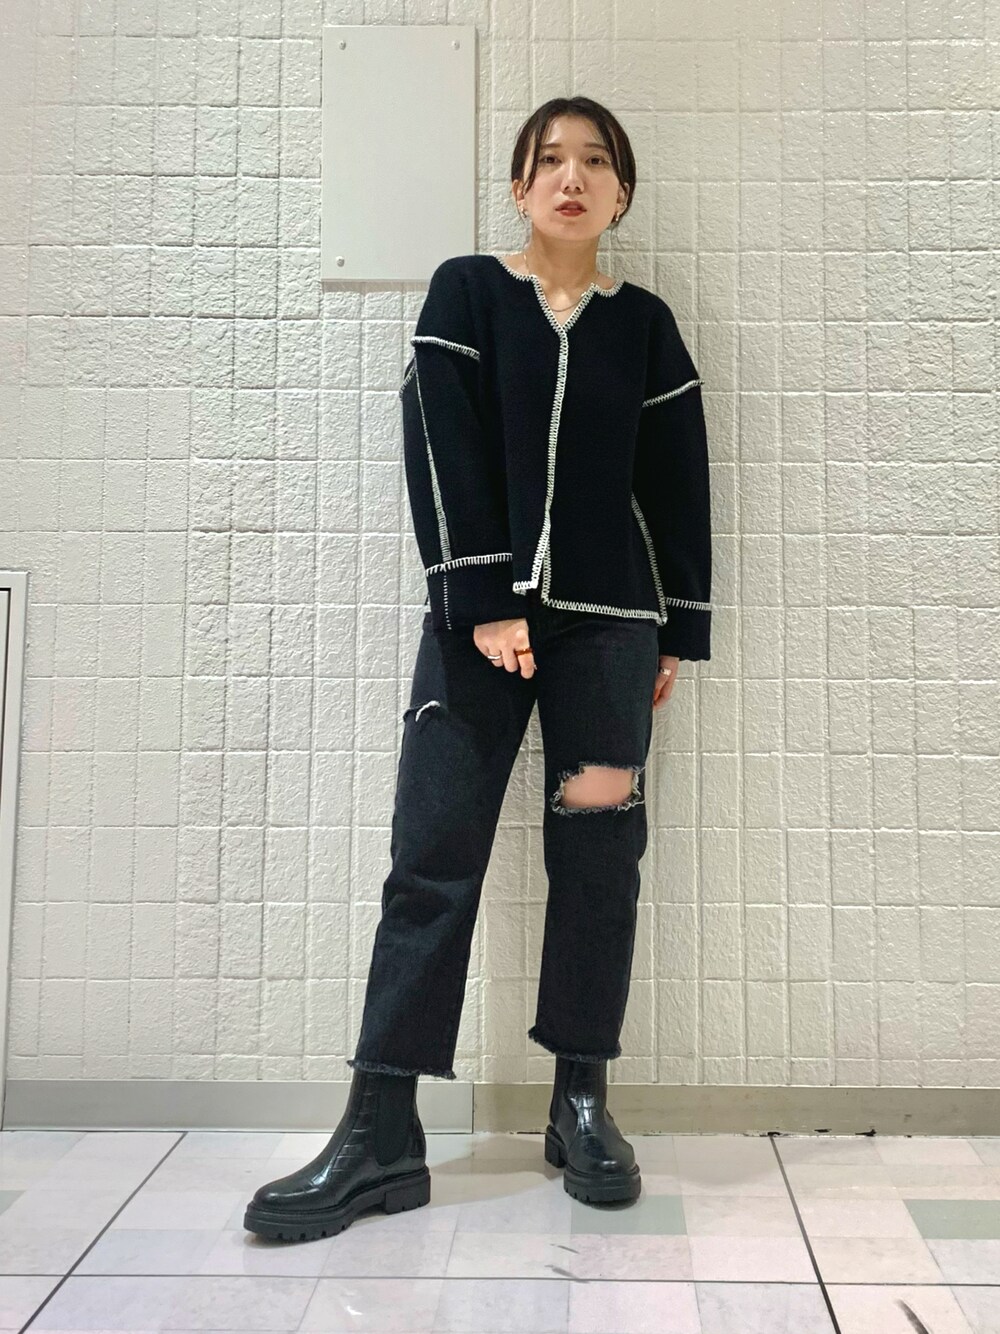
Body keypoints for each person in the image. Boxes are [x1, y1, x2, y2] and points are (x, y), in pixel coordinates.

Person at [244, 95, 712, 1243]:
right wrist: (483, 598)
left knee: (598, 853)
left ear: (621, 193)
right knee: (434, 851)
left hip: (608, 636)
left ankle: (579, 1100)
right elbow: (439, 441)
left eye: (594, 161)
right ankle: (381, 1129)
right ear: (518, 187)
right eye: (549, 159)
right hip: (477, 633)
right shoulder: (467, 294)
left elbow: (677, 475)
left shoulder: (644, 326)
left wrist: (675, 630)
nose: (571, 176)